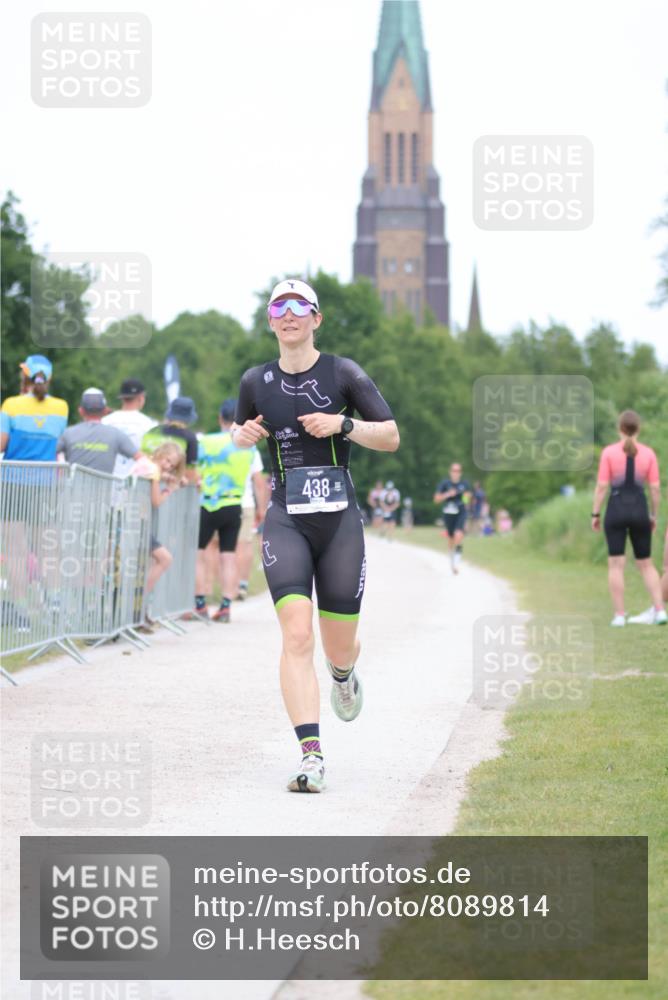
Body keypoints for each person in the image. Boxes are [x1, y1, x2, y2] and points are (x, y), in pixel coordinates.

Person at [232, 278, 399, 793]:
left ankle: (343, 676)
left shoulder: (343, 373)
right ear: (270, 320)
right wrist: (241, 436)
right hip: (286, 518)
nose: (289, 315)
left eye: (299, 306)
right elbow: (240, 433)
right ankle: (311, 755)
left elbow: (390, 436)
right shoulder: (255, 381)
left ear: (316, 318)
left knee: (338, 645)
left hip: (339, 522)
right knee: (296, 635)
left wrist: (343, 426)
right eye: (279, 307)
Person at [592, 410, 666, 626]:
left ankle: (619, 615)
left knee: (616, 564)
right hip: (640, 510)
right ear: (638, 429)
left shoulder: (609, 453)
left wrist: (595, 513)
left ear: (620, 429)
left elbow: (602, 486)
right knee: (646, 563)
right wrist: (653, 514)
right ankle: (660, 610)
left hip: (615, 509)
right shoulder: (649, 454)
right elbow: (654, 488)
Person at [194, 400, 256, 623]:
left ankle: (200, 605)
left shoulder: (206, 442)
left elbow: (196, 471)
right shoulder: (247, 446)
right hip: (234, 505)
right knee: (228, 558)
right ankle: (225, 607)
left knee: (199, 554)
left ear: (220, 418)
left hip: (208, 504)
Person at [130, 443, 184, 626]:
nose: (168, 465)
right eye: (167, 460)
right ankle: (139, 603)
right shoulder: (153, 470)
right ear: (160, 453)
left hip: (133, 520)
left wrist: (171, 478)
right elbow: (156, 501)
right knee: (165, 559)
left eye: (172, 465)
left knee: (150, 563)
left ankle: (139, 606)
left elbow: (161, 475)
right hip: (136, 523)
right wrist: (169, 489)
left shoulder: (147, 464)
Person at [1, 355, 68, 461]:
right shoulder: (61, 407)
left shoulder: (10, 404)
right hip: (48, 476)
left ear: (24, 375)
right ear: (49, 378)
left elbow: (1, 446)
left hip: (12, 476)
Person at [57, 388, 140, 473]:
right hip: (104, 486)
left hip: (73, 486)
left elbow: (51, 453)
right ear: (105, 411)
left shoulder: (68, 433)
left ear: (81, 411)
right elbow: (140, 458)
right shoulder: (116, 434)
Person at [235, 435, 268, 601]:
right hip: (245, 502)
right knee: (244, 544)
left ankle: (225, 587)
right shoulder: (251, 449)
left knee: (221, 548)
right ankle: (242, 584)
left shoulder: (213, 443)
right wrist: (261, 508)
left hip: (217, 501)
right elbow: (259, 482)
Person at [102, 378, 157, 477]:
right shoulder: (149, 424)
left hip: (107, 478)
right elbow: (152, 454)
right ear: (141, 398)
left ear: (122, 398)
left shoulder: (105, 421)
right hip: (136, 480)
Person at [141, 396, 199, 484]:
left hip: (142, 485)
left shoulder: (153, 431)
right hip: (168, 491)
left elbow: (141, 458)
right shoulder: (190, 438)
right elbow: (189, 473)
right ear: (189, 418)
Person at [434, 463, 472, 573]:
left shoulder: (465, 484)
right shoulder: (445, 484)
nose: (456, 472)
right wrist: (447, 494)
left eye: (458, 470)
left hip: (461, 512)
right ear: (450, 472)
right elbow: (436, 499)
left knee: (458, 535)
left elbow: (467, 500)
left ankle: (456, 562)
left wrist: (466, 497)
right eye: (454, 470)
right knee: (451, 538)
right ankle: (452, 560)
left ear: (461, 473)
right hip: (448, 513)